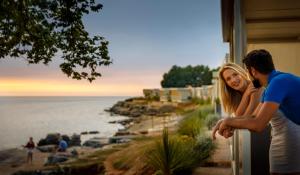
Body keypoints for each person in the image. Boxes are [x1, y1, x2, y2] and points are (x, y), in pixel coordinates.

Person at [214, 62, 300, 174]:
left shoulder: (257, 87)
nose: (233, 80)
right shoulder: (240, 95)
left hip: (291, 134)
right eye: (228, 79)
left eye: (235, 74)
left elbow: (249, 119)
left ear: (242, 73)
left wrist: (228, 123)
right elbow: (239, 117)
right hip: (278, 135)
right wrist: (245, 97)